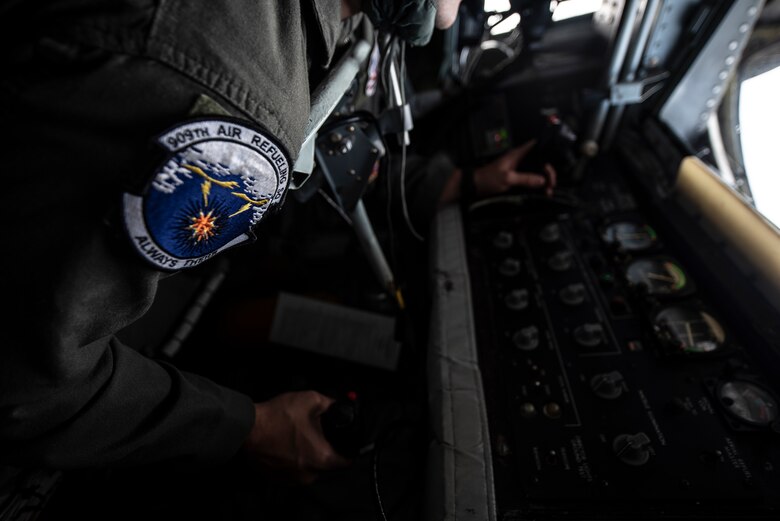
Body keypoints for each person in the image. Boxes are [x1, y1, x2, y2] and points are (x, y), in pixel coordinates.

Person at [0, 0, 469, 486]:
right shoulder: (238, 90)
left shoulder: (326, 29)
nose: (452, 13)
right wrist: (252, 428)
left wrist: (458, 184)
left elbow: (342, 136)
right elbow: (30, 391)